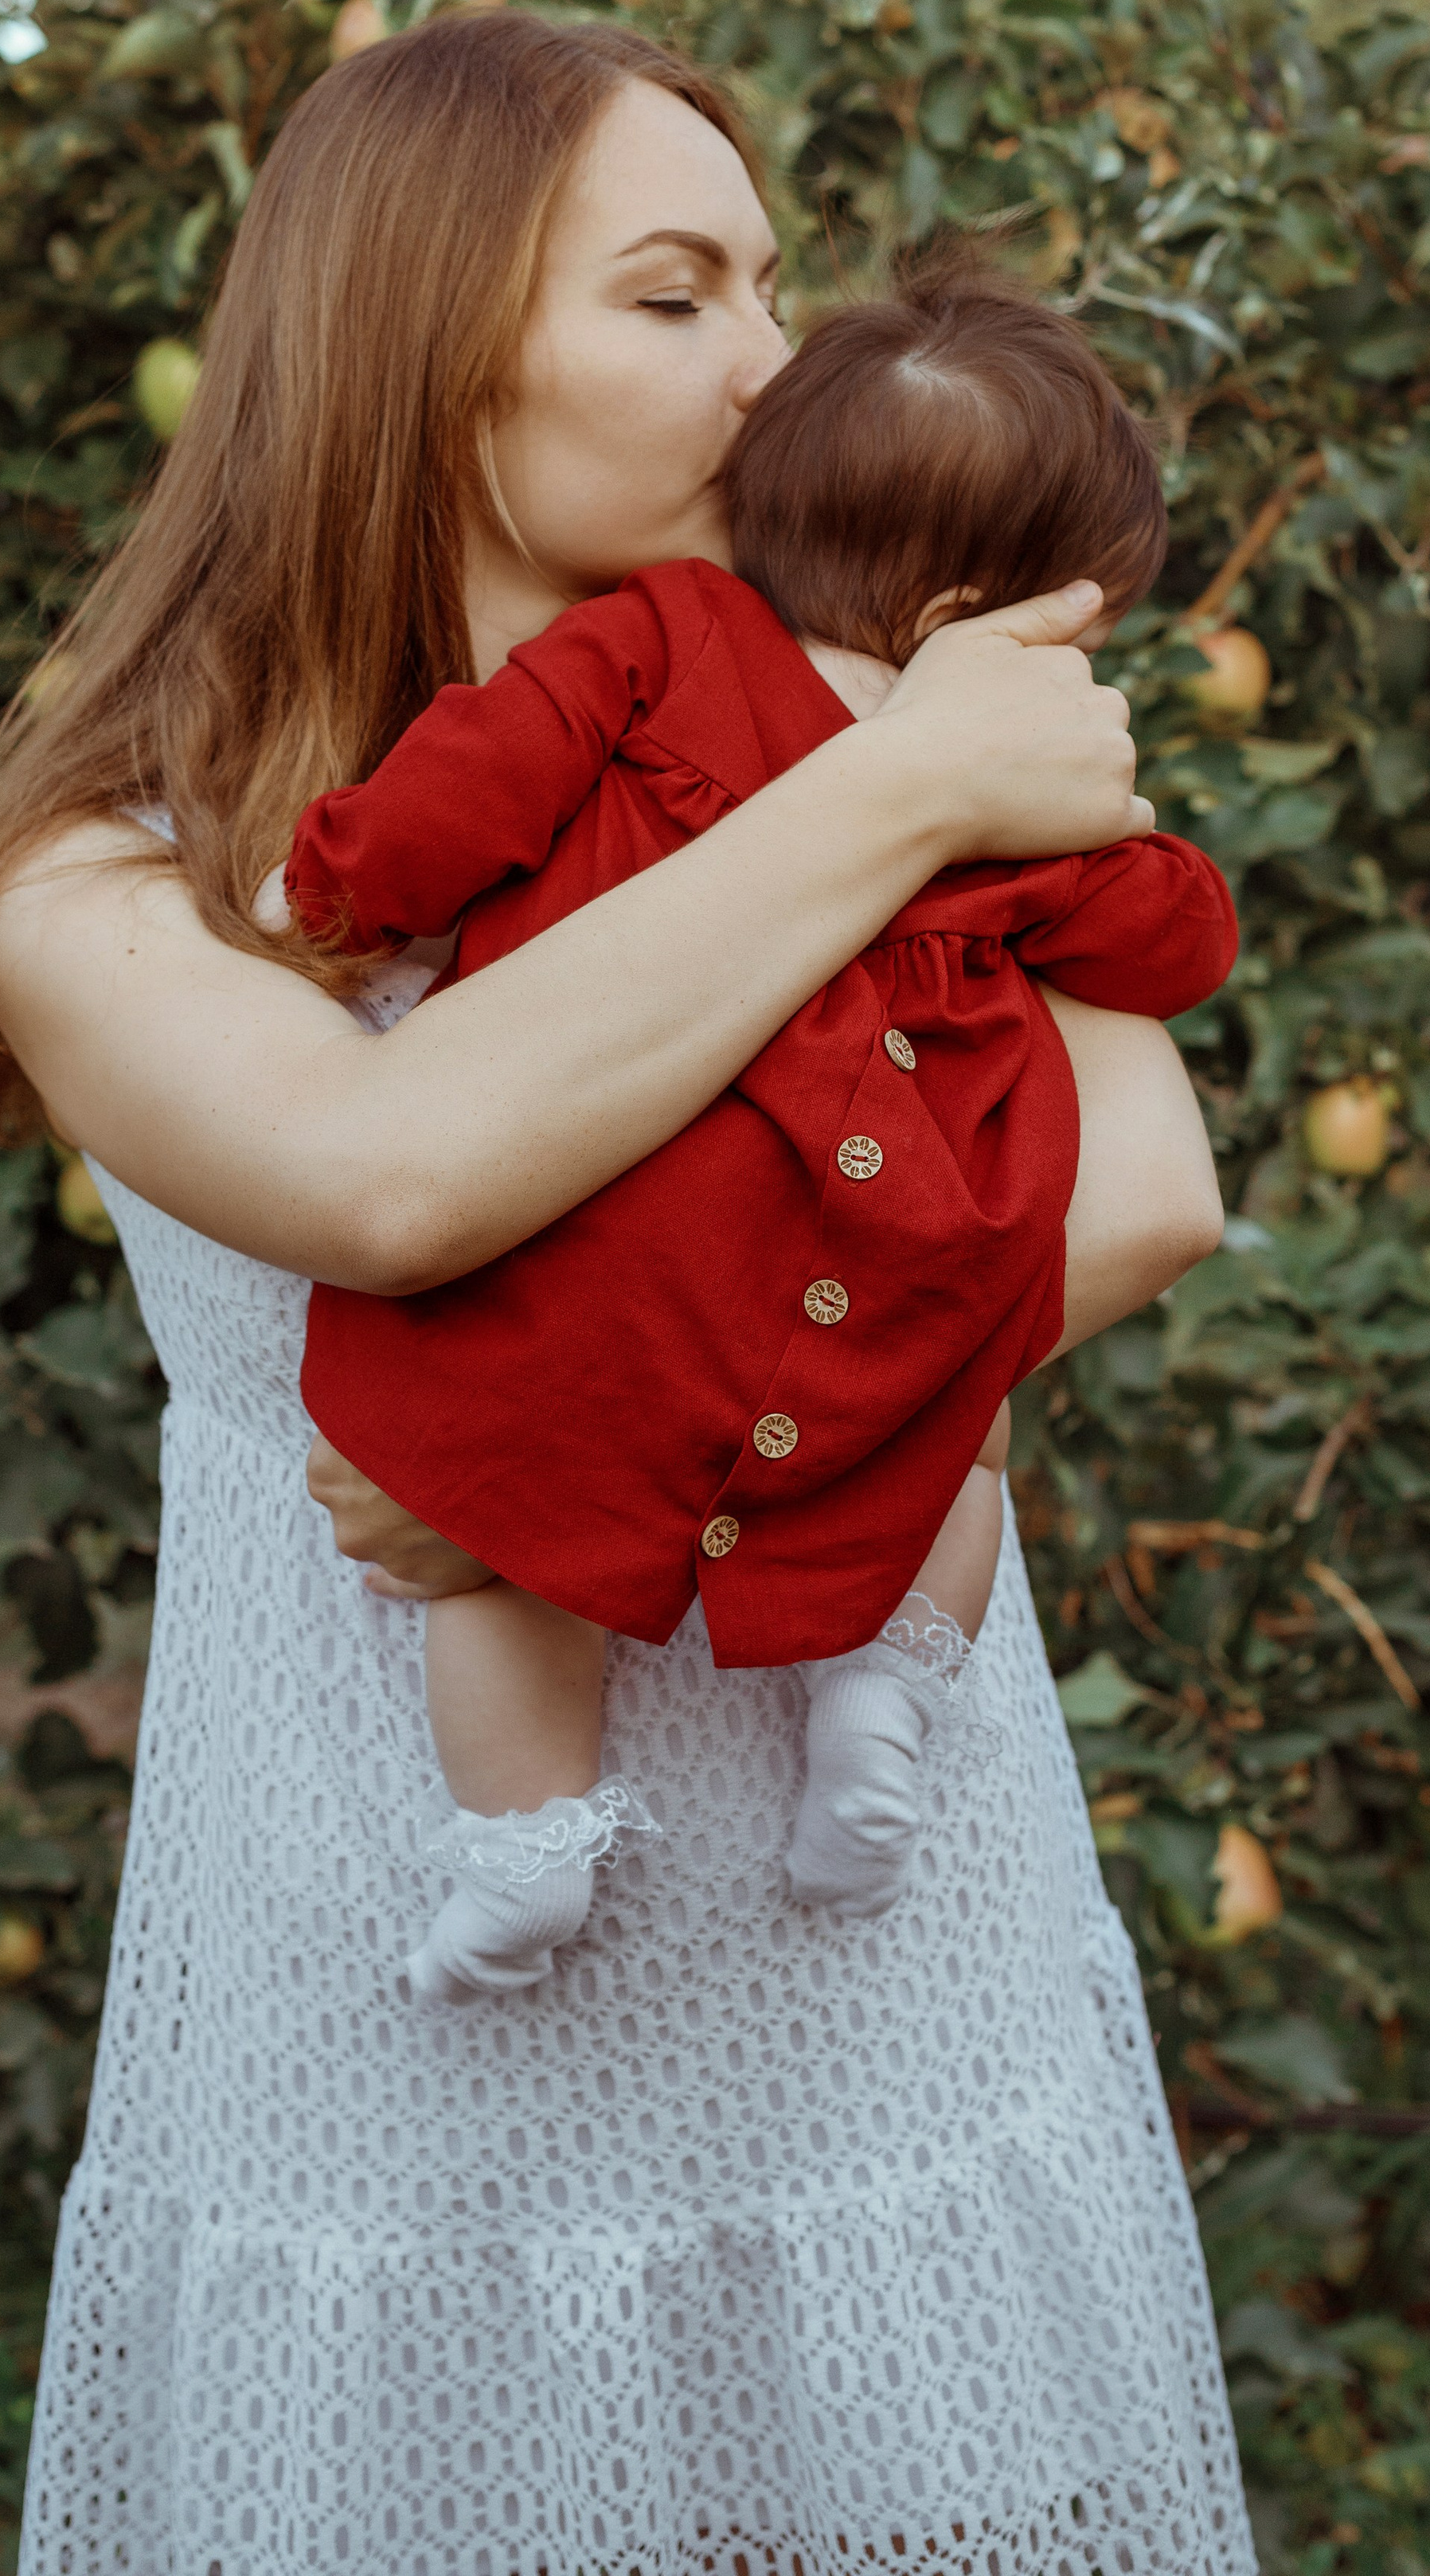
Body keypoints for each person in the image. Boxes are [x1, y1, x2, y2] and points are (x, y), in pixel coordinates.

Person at [0, 10, 1257, 2574]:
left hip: (868, 1959)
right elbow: (391, 1181)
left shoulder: (882, 748)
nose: (775, 364)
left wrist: (583, 1428)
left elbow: (1144, 1190)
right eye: (676, 295)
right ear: (428, 356)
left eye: (776, 287)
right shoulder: (114, 878)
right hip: (421, 1982)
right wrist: (910, 786)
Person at [281, 263, 1239, 1998]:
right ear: (978, 615)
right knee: (950, 1422)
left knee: (499, 1546)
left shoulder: (656, 639)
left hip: (641, 1239)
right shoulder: (1004, 789)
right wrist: (1125, 828)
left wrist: (337, 883)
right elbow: (1165, 946)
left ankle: (521, 1848)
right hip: (909, 1223)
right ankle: (883, 1697)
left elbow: (474, 781)